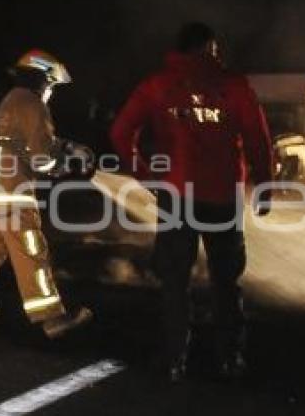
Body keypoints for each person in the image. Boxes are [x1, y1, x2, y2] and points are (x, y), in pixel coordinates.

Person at [109, 23, 273, 381]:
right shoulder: (234, 86)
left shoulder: (156, 86)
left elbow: (121, 132)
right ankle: (230, 358)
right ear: (210, 48)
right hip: (223, 199)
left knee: (174, 281)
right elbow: (258, 139)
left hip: (176, 197)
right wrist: (264, 186)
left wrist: (144, 174)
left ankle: (173, 360)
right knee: (226, 281)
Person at [0, 49, 94, 339]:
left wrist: (69, 147)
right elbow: (42, 155)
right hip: (13, 188)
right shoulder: (33, 104)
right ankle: (52, 318)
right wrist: (64, 167)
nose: (51, 90)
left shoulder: (14, 99)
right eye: (51, 84)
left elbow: (26, 141)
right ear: (43, 79)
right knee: (31, 250)